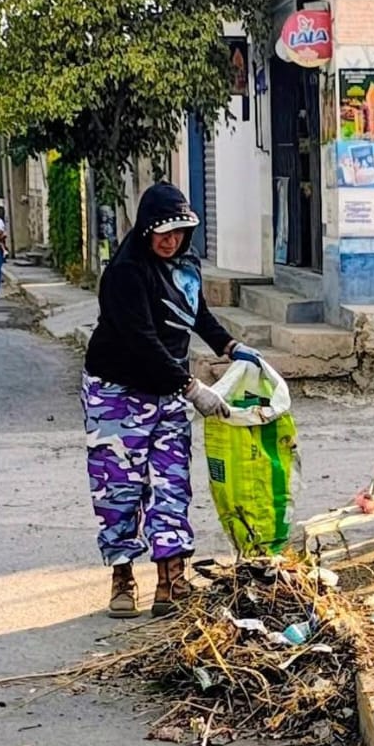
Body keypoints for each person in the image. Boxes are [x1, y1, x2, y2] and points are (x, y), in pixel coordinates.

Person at [81, 182, 263, 618]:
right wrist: (192, 388)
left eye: (180, 231)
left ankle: (171, 579)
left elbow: (196, 312)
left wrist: (229, 346)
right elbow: (142, 341)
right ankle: (123, 575)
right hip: (117, 392)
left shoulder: (184, 264)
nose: (171, 240)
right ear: (145, 229)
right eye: (163, 232)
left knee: (171, 482)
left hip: (167, 389)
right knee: (119, 487)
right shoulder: (126, 272)